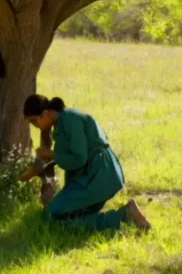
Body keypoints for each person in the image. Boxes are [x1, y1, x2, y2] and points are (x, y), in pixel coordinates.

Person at [20, 95, 151, 231]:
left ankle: (123, 216)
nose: (35, 126)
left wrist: (51, 154)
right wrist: (26, 173)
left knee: (50, 217)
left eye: (34, 121)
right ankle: (126, 215)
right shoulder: (59, 123)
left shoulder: (70, 119)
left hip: (100, 175)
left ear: (45, 114)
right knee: (67, 216)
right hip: (92, 176)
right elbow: (62, 157)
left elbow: (78, 158)